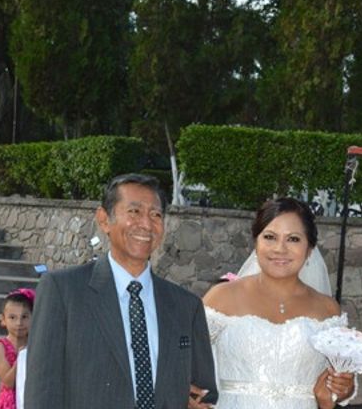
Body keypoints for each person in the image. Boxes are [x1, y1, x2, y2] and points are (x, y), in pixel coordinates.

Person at [24, 173, 217, 409]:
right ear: (104, 219)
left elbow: (205, 393)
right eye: (134, 212)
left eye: (155, 215)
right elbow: (42, 391)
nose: (146, 224)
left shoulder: (186, 306)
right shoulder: (63, 291)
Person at [203, 197, 356, 408]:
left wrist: (343, 388)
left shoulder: (328, 310)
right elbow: (186, 362)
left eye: (293, 239)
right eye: (270, 237)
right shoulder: (220, 298)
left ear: (309, 248)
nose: (280, 249)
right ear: (256, 243)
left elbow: (337, 382)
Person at [0, 288, 35, 409]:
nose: (19, 323)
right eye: (12, 317)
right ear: (3, 320)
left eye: (24, 317)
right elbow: (8, 383)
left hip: (32, 398)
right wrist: (21, 358)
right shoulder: (0, 347)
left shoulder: (35, 344)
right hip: (9, 404)